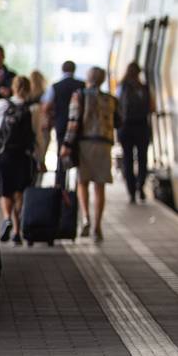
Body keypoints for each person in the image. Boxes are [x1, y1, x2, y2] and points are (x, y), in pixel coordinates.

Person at [60, 67, 119, 243]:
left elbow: (74, 121)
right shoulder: (110, 99)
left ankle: (85, 217)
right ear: (102, 80)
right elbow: (119, 120)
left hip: (85, 143)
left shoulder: (79, 95)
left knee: (82, 182)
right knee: (99, 186)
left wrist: (67, 144)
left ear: (88, 78)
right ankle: (97, 226)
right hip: (104, 144)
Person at [0, 77, 38, 244]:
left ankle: (7, 218)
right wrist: (40, 158)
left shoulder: (2, 105)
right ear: (29, 88)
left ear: (13, 87)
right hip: (24, 155)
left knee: (5, 190)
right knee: (20, 191)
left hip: (4, 153)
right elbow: (37, 136)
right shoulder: (34, 108)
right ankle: (17, 230)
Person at [116, 61, 153, 204]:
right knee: (143, 158)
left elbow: (117, 105)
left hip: (125, 128)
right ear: (139, 73)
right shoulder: (144, 87)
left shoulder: (121, 87)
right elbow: (152, 107)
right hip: (142, 126)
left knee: (128, 159)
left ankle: (131, 192)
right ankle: (141, 186)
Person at [44, 60, 84, 166]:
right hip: (79, 124)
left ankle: (60, 181)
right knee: (79, 156)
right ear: (74, 70)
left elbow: (47, 106)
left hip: (61, 123)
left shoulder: (56, 86)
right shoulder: (82, 85)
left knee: (61, 153)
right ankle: (77, 182)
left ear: (62, 70)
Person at [27, 71, 49, 186]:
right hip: (42, 127)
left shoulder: (27, 95)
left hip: (28, 130)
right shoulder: (45, 95)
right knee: (40, 157)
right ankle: (37, 186)